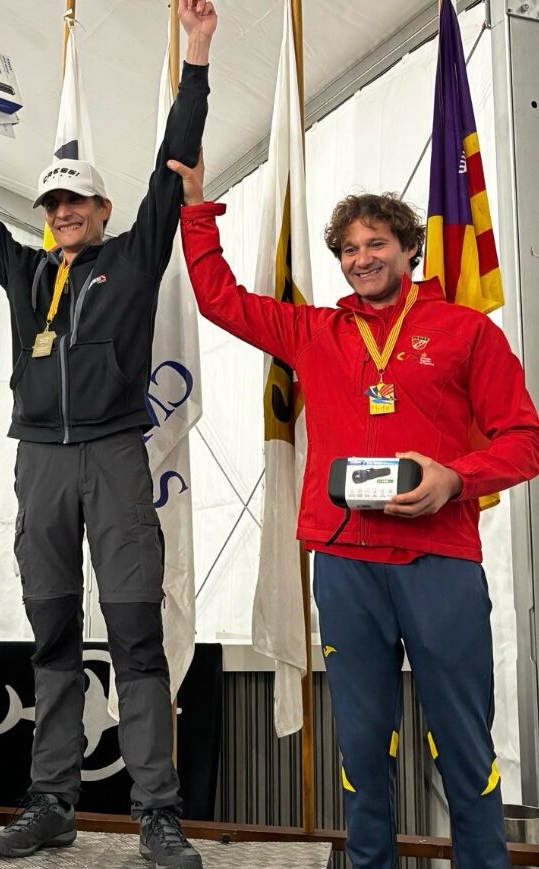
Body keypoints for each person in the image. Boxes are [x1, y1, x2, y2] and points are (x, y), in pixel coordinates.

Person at [169, 154, 539, 868]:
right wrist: (195, 209)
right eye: (347, 248)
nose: (361, 258)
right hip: (344, 561)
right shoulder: (315, 331)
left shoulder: (465, 331)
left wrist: (454, 478)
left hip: (438, 560)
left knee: (463, 742)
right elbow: (219, 299)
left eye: (376, 243)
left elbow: (524, 440)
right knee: (363, 746)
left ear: (408, 248)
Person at [0, 2, 215, 866]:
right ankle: (51, 801)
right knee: (53, 638)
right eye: (52, 202)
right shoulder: (22, 269)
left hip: (115, 456)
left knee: (134, 638)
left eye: (76, 201)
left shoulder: (132, 257)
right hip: (41, 464)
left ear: (101, 208)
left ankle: (157, 812)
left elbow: (173, 163)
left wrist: (196, 55)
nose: (62, 212)